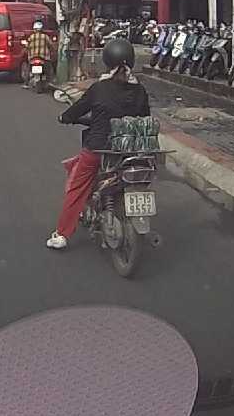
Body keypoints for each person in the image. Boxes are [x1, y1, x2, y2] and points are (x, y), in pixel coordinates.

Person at [46, 38, 150, 250]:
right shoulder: (140, 90)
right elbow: (145, 117)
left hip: (99, 149)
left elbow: (77, 109)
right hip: (130, 151)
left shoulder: (99, 88)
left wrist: (64, 117)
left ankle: (62, 234)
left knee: (76, 189)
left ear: (106, 61)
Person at [22, 18, 56, 88]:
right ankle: (50, 81)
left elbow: (27, 46)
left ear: (34, 29)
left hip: (33, 57)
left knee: (29, 69)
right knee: (49, 69)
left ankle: (26, 83)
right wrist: (53, 50)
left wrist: (26, 50)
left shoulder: (31, 37)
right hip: (44, 57)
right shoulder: (45, 37)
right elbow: (51, 45)